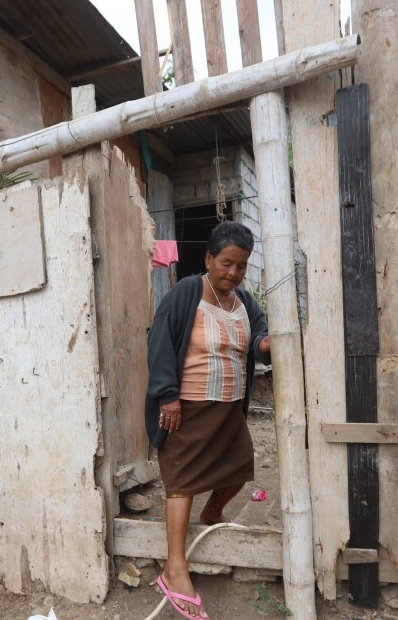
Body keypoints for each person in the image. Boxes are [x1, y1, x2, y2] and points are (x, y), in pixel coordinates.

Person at [145, 220, 271, 620]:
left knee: (239, 468)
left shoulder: (245, 302)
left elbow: (260, 340)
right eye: (226, 263)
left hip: (229, 409)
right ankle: (175, 567)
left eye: (241, 266)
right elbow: (160, 339)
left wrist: (271, 343)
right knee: (180, 481)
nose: (233, 273)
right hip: (189, 406)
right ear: (209, 259)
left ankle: (212, 513)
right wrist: (168, 396)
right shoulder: (187, 292)